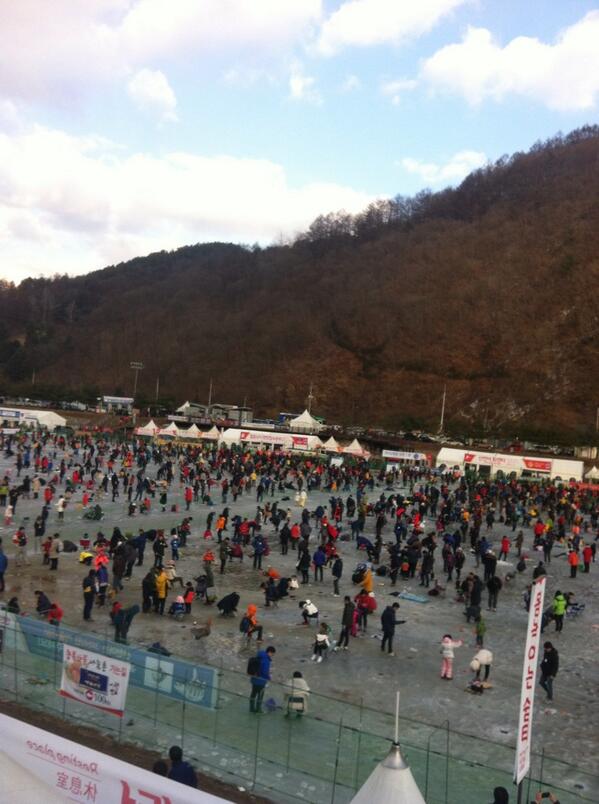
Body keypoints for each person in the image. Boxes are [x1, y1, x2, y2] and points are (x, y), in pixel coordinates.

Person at [249, 645, 275, 713]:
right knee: (260, 696)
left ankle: (251, 708)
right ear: (269, 652)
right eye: (272, 654)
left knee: (253, 694)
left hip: (254, 678)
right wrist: (268, 678)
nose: (272, 656)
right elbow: (264, 671)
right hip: (261, 681)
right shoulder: (266, 659)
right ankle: (258, 709)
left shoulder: (259, 656)